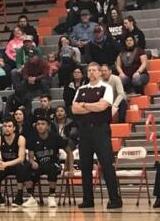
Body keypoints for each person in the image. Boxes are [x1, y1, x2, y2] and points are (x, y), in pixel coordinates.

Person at [71, 61, 122, 210]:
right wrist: (92, 106)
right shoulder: (81, 89)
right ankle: (88, 199)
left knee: (107, 165)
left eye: (95, 70)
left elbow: (102, 106)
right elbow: (74, 109)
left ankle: (114, 199)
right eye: (90, 70)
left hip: (101, 130)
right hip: (85, 131)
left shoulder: (105, 88)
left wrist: (85, 105)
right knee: (85, 166)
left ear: (100, 73)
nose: (92, 72)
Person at [0, 119, 32, 207]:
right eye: (5, 126)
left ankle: (19, 196)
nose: (7, 128)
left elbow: (21, 159)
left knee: (22, 166)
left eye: (9, 126)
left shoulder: (20, 138)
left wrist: (5, 164)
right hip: (5, 166)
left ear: (14, 128)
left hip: (17, 165)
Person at [26, 116, 65, 207]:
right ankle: (31, 197)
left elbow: (69, 152)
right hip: (40, 164)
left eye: (43, 124)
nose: (40, 126)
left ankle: (51, 196)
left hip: (54, 163)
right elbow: (31, 156)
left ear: (48, 126)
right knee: (27, 168)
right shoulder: (32, 138)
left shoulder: (55, 137)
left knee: (52, 168)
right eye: (38, 124)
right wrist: (32, 162)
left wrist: (70, 167)